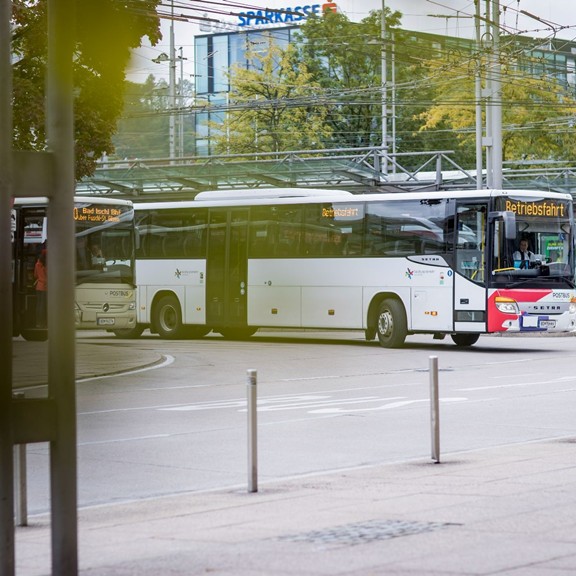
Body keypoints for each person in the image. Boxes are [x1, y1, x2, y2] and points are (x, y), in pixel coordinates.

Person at [34, 249, 47, 327]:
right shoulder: (47, 265)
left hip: (38, 286)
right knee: (44, 306)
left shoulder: (37, 264)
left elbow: (35, 275)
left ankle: (38, 322)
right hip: (45, 287)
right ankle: (43, 323)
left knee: (39, 305)